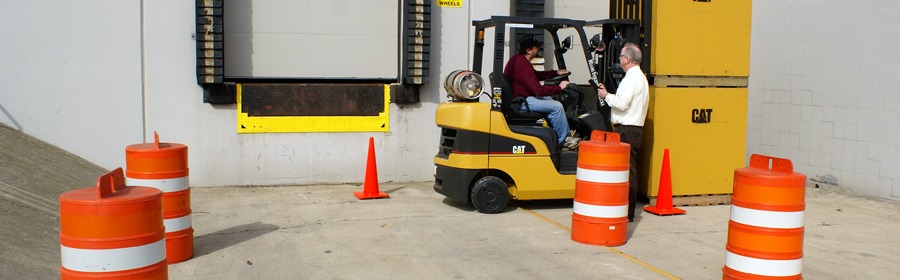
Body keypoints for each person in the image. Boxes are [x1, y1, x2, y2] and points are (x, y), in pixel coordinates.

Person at [597, 42, 649, 222]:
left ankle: (627, 211)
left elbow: (621, 103)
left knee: (627, 170)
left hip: (627, 130)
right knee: (629, 169)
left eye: (620, 56)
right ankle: (626, 208)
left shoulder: (632, 78)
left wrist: (605, 96)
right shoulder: (639, 78)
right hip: (632, 129)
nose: (619, 59)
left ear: (627, 59)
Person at [504, 35, 579, 150]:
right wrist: (559, 88)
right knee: (557, 106)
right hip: (521, 102)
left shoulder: (519, 60)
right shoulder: (522, 64)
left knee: (549, 100)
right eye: (536, 47)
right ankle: (563, 140)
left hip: (522, 98)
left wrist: (555, 73)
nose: (538, 49)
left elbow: (535, 75)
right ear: (529, 50)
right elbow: (538, 91)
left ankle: (560, 133)